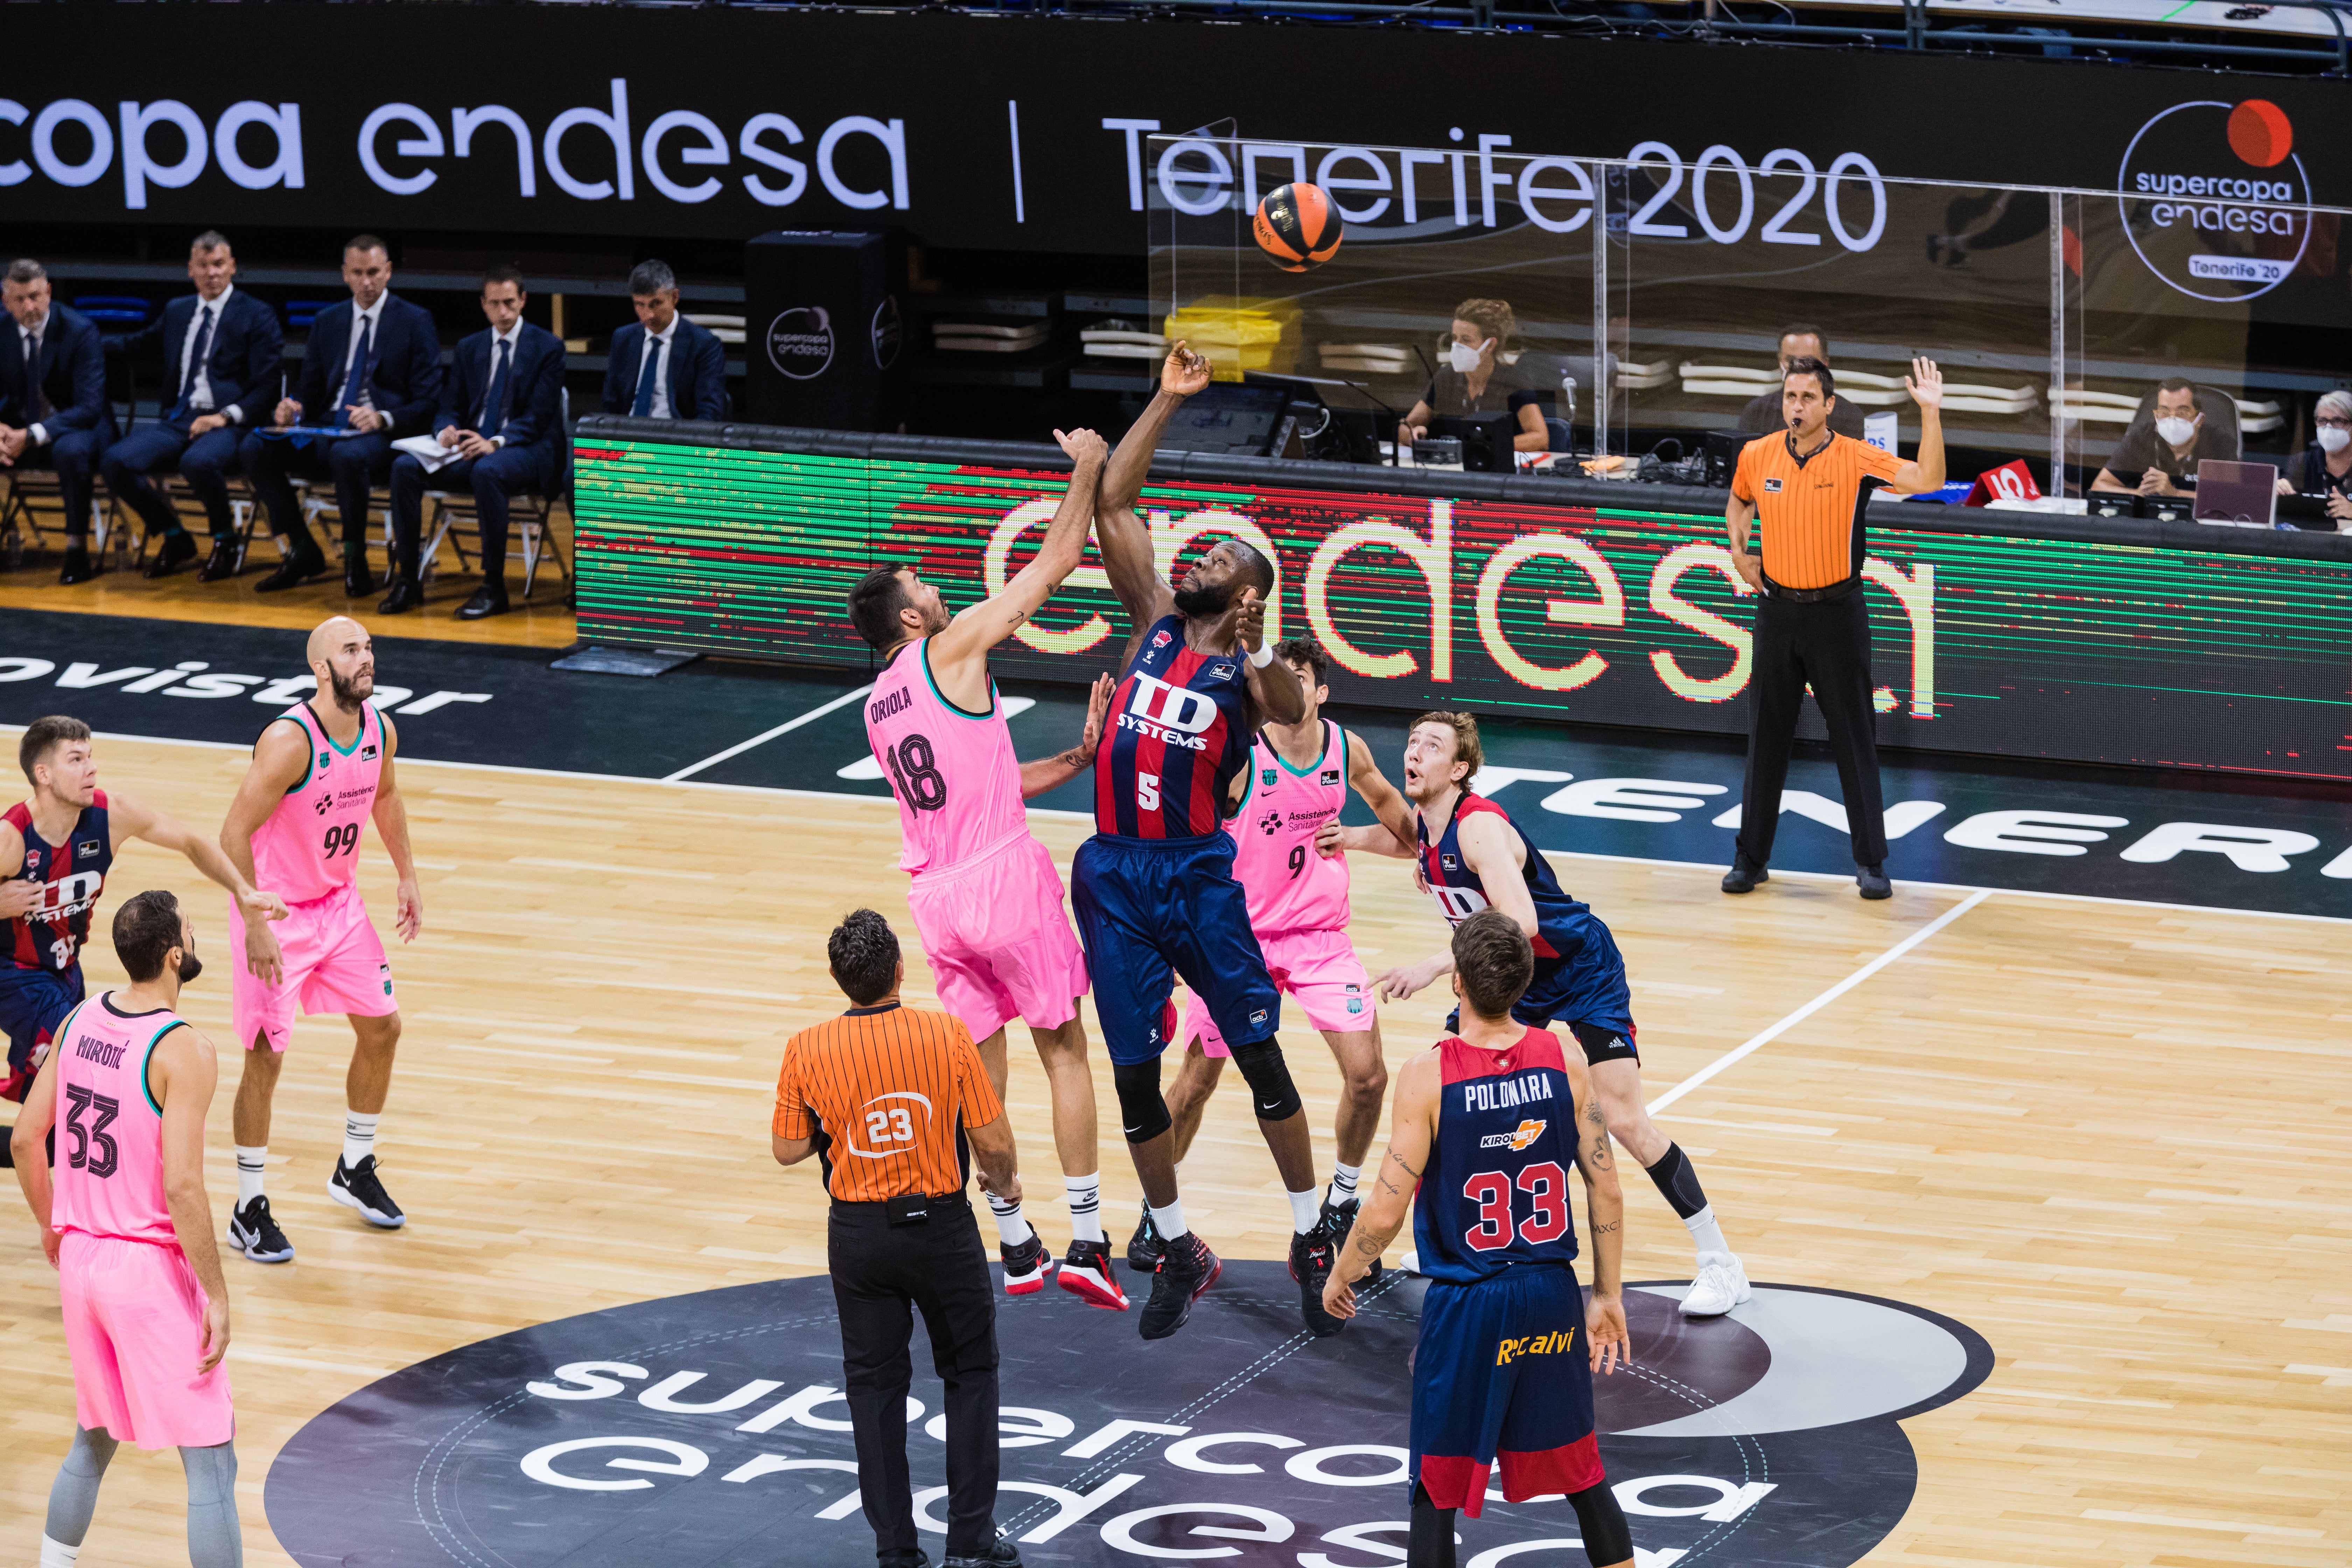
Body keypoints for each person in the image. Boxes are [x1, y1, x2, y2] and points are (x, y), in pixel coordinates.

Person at [846, 426, 1128, 1309]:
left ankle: (1014, 1240)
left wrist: (1075, 760)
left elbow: (982, 782)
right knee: (1066, 1051)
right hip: (1004, 881)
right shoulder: (951, 646)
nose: (937, 592)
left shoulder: (876, 707)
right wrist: (1087, 469)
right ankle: (1088, 1240)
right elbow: (1056, 563)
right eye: (923, 587)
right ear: (909, 618)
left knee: (980, 1077)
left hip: (937, 898)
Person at [1075, 340, 1320, 1341]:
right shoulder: (1153, 623)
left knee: (1257, 1054)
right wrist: (1169, 399)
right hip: (1114, 872)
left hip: (1196, 876)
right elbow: (1114, 504)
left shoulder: (1247, 677)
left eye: (1219, 561)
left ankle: (1311, 1232)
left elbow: (1293, 706)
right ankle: (1177, 1246)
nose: (1199, 561)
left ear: (1248, 595)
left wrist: (1258, 644)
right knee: (1134, 1074)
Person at [1358, 711, 1750, 1317]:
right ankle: (1453, 1239)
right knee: (1451, 1098)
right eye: (1412, 741)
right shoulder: (1431, 829)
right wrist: (1346, 838)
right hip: (1515, 973)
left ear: (1458, 769)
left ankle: (1721, 1262)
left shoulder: (1479, 827)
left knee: (1623, 1118)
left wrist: (1435, 966)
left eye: (1431, 746)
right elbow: (1404, 841)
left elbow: (1523, 920)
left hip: (1578, 964)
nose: (1414, 752)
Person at [1323, 909, 1636, 1568]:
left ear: (1457, 982)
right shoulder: (1565, 1058)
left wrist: (1343, 1270)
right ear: (1523, 983)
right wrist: (1607, 1295)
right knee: (1583, 1477)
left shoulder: (1428, 1074)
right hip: (1551, 1293)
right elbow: (1606, 1190)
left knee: (1436, 1490)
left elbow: (1385, 1210)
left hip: (1470, 1302)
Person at [1133, 635, 1417, 1292]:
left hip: (1319, 938)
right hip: (1238, 941)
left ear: (1320, 692)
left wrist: (1357, 837)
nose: (1284, 687)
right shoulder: (1241, 755)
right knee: (1196, 1083)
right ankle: (1157, 1214)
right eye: (1273, 678)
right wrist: (1173, 937)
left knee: (1369, 1077)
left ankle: (1340, 1201)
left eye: (1299, 678)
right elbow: (1179, 844)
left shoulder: (1346, 750)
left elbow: (1410, 837)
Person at [771, 909, 1023, 1568]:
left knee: (875, 1390)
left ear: (838, 979)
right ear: (901, 970)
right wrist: (1007, 1189)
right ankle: (970, 1545)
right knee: (970, 1374)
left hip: (859, 1239)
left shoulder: (805, 1047)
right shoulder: (946, 1033)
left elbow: (788, 1148)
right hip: (942, 1231)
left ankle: (896, 1553)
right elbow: (993, 1143)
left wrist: (838, 1125)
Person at [13, 890, 244, 1568]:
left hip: (82, 1261)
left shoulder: (80, 1017)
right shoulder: (184, 1049)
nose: (196, 937)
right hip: (144, 1272)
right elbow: (183, 1187)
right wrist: (217, 1294)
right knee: (212, 1463)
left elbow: (27, 1139)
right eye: (191, 930)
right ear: (174, 955)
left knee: (92, 1439)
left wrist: (53, 1227)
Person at [215, 616, 421, 1262]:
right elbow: (232, 834)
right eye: (351, 650)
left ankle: (354, 1167)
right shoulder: (289, 741)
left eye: (369, 648)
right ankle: (248, 1209)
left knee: (384, 1029)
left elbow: (385, 795)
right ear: (321, 668)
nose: (366, 659)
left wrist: (408, 875)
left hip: (339, 907)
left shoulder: (381, 729)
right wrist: (254, 921)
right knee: (265, 1058)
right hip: (277, 914)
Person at [1, 715, 287, 1167]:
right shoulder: (12, 839)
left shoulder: (110, 815)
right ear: (44, 774)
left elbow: (192, 842)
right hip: (14, 975)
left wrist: (243, 891)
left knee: (52, 1120)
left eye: (90, 756)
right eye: (75, 759)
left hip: (66, 970)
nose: (91, 768)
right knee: (89, 1073)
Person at [1722, 355, 1944, 901]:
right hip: (1777, 612)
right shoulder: (1758, 453)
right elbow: (1739, 501)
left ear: (1829, 405)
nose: (1796, 407)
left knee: (1854, 738)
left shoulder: (1856, 458)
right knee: (1766, 738)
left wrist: (1931, 413)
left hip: (1836, 615)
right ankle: (1750, 859)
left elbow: (1929, 479)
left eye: (1807, 398)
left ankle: (1871, 862)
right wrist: (1739, 552)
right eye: (1790, 396)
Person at [239, 235, 441, 597]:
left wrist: (382, 417)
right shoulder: (328, 320)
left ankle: (354, 557)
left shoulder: (415, 320)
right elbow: (310, 387)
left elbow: (428, 400)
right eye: (358, 273)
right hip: (327, 427)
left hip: (380, 433)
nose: (367, 282)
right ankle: (302, 548)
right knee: (256, 446)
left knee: (346, 456)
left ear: (389, 271)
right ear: (345, 274)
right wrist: (294, 406)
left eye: (374, 273)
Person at [382, 265, 567, 620]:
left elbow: (539, 417)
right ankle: (408, 579)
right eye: (495, 304)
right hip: (472, 445)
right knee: (405, 467)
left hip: (527, 448)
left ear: (523, 300)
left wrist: (495, 442)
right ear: (483, 304)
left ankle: (494, 587)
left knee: (488, 470)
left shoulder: (548, 347)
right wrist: (446, 430)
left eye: (510, 302)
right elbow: (450, 404)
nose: (503, 311)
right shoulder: (471, 347)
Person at [100, 231, 285, 582]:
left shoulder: (257, 314)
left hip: (232, 421)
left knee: (197, 462)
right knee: (115, 462)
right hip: (180, 417)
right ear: (191, 270)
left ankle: (225, 541)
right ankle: (174, 536)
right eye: (203, 266)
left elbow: (267, 385)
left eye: (218, 264)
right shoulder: (178, 310)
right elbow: (136, 344)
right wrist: (82, 339)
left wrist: (223, 417)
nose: (212, 273)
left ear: (232, 267)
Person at [0, 260, 116, 586]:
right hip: (20, 427)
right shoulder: (2, 331)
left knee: (70, 452)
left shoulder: (80, 330)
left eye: (35, 297)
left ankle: (76, 550)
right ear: (6, 301)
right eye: (20, 299)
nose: (29, 307)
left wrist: (30, 435)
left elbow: (89, 408)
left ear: (49, 292)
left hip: (78, 427)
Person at [1395, 299, 1549, 455]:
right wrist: (1413, 436)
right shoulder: (1446, 377)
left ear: (1490, 345)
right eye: (1455, 338)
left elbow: (1540, 438)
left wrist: (1486, 446)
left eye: (1466, 340)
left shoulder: (1513, 382)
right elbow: (1405, 427)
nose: (1457, 345)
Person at [601, 261, 727, 422]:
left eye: (656, 304)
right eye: (640, 305)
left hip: (677, 433)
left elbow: (709, 413)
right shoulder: (623, 338)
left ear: (675, 297)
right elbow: (611, 405)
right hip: (630, 432)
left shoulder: (705, 344)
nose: (649, 315)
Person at [2089, 376, 2236, 498]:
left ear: (2200, 420)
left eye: (2182, 413)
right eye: (2164, 412)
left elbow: (2231, 499)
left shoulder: (2220, 444)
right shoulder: (2140, 439)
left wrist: (2174, 494)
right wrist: (2139, 494)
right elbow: (2099, 486)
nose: (2172, 420)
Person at [1733, 323, 1866, 441]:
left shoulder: (1850, 416)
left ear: (1825, 364)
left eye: (1808, 360)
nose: (1798, 367)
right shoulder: (1757, 412)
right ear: (1780, 362)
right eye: (1791, 360)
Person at [2276, 389, 2352, 527]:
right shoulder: (2302, 462)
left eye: (2338, 421)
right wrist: (2279, 488)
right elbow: (2284, 489)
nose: (2328, 428)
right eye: (2322, 421)